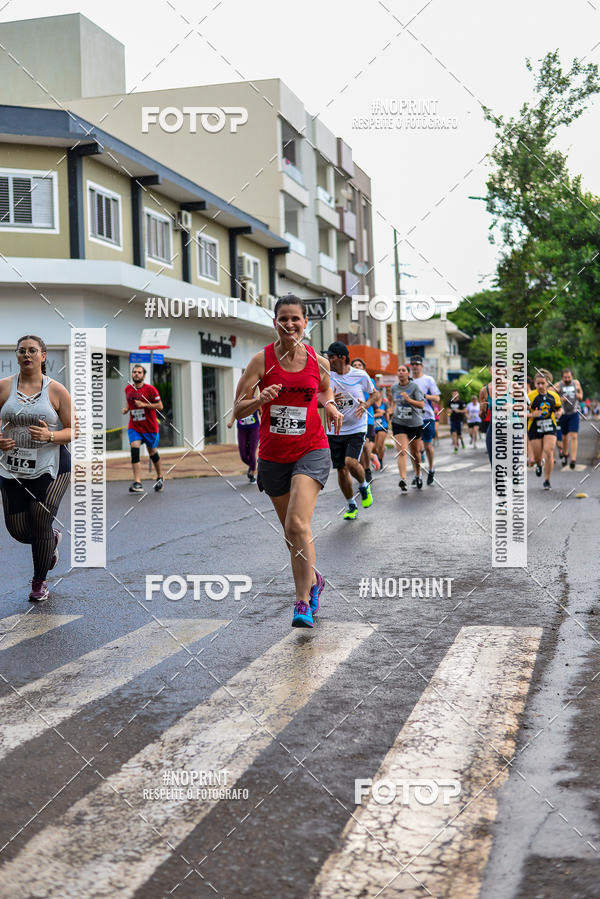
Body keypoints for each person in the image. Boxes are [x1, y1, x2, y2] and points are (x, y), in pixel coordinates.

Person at [233, 295, 343, 628]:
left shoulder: (316, 360)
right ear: (275, 323)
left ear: (305, 323)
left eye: (296, 318)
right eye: (283, 318)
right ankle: (315, 579)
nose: (290, 324)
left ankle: (303, 602)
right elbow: (237, 408)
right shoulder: (261, 361)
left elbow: (324, 390)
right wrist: (258, 399)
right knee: (290, 533)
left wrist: (330, 406)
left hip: (311, 449)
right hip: (272, 456)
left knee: (297, 524)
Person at [0, 335, 73, 602]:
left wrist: (50, 437)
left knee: (40, 520)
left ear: (43, 356)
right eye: (22, 351)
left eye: (33, 351)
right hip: (12, 467)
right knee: (18, 530)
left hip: (52, 467)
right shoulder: (4, 387)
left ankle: (39, 582)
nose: (26, 355)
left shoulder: (56, 390)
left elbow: (72, 430)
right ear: (16, 355)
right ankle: (50, 540)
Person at [324, 342, 376, 520]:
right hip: (334, 430)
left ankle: (363, 485)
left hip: (356, 428)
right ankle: (351, 505)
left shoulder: (360, 375)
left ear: (342, 358)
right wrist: (328, 401)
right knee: (341, 470)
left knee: (350, 462)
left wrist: (366, 404)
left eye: (332, 357)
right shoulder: (327, 376)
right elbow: (316, 399)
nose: (329, 360)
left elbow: (376, 394)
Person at [122, 364, 164, 494]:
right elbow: (129, 402)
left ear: (144, 375)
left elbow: (160, 406)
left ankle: (160, 477)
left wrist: (144, 404)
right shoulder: (128, 389)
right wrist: (127, 408)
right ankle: (138, 482)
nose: (136, 374)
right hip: (135, 426)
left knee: (152, 452)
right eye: (134, 372)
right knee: (135, 449)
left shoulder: (150, 390)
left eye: (139, 372)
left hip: (150, 427)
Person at [389, 364, 425, 492]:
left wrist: (408, 399)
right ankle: (403, 479)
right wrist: (390, 411)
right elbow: (393, 403)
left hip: (415, 423)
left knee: (415, 452)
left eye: (403, 370)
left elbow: (421, 404)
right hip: (399, 423)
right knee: (402, 451)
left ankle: (418, 474)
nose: (400, 372)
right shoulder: (394, 388)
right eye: (398, 370)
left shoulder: (414, 387)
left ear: (408, 373)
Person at [528, 371, 562, 490]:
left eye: (542, 383)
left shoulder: (554, 396)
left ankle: (547, 480)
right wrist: (532, 415)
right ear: (535, 384)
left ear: (547, 383)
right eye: (538, 383)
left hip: (549, 425)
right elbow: (520, 412)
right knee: (538, 457)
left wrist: (558, 413)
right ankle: (538, 465)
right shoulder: (530, 396)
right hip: (534, 427)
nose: (540, 386)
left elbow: (559, 409)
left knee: (549, 451)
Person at [409, 356, 440, 485]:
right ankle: (418, 474)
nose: (415, 366)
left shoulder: (428, 379)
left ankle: (431, 469)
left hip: (427, 417)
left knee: (427, 446)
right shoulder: (407, 380)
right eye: (413, 364)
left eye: (417, 364)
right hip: (412, 418)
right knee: (413, 449)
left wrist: (425, 396)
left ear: (422, 366)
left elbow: (437, 399)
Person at [351, 358, 378, 481]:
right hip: (353, 418)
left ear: (364, 368)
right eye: (354, 365)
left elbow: (373, 396)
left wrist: (365, 404)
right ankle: (364, 468)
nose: (357, 366)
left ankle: (367, 469)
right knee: (360, 446)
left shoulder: (368, 380)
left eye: (359, 365)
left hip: (367, 418)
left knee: (366, 445)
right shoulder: (348, 381)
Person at [553, 368, 583, 469]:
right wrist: (560, 399)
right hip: (563, 414)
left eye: (569, 377)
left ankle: (573, 459)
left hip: (574, 413)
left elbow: (581, 395)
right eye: (565, 377)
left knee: (574, 436)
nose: (567, 379)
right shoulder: (558, 385)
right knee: (564, 437)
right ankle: (565, 454)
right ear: (562, 378)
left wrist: (578, 395)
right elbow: (550, 394)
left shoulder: (576, 383)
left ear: (572, 376)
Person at [227, 403, 260, 483]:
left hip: (254, 428)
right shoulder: (239, 401)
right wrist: (231, 422)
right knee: (243, 455)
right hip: (242, 429)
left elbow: (262, 412)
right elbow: (235, 412)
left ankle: (252, 472)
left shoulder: (255, 400)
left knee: (252, 452)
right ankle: (253, 465)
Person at [373, 393, 390, 470]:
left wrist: (388, 421)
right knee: (374, 448)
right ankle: (377, 457)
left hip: (383, 426)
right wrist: (379, 414)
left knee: (380, 444)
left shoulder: (384, 404)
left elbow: (387, 413)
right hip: (373, 427)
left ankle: (380, 461)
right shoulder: (371, 403)